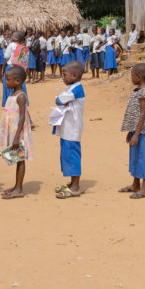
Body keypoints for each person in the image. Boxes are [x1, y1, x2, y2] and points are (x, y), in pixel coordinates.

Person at [119, 63, 145, 198]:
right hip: (136, 131)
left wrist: (137, 134)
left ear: (138, 77)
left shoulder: (143, 92)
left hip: (141, 133)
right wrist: (131, 132)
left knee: (143, 158)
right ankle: (135, 184)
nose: (131, 78)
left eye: (132, 75)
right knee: (135, 157)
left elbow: (143, 114)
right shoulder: (139, 91)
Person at [0, 66, 33, 199]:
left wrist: (17, 137)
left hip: (17, 131)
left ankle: (19, 189)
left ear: (18, 81)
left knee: (20, 159)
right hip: (12, 130)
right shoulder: (12, 94)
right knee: (17, 158)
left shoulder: (21, 96)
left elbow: (23, 116)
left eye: (8, 80)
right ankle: (17, 186)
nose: (5, 82)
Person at [52, 61, 87, 198]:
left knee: (72, 156)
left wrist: (58, 99)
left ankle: (76, 187)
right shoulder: (71, 87)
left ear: (75, 75)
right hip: (67, 128)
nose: (63, 77)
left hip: (72, 130)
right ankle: (72, 183)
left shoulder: (76, 89)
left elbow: (59, 100)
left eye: (65, 75)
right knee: (66, 156)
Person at [1, 31, 30, 107]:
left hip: (10, 68)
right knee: (19, 85)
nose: (11, 36)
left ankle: (9, 103)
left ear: (16, 38)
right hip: (19, 69)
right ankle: (22, 102)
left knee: (8, 85)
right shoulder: (23, 47)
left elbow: (6, 57)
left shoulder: (11, 45)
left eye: (13, 36)